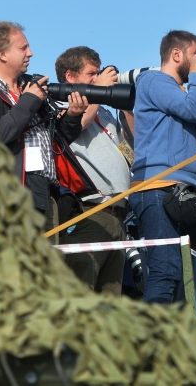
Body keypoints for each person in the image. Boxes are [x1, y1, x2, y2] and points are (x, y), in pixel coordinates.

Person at [0, 21, 87, 227]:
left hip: (45, 191)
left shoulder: (33, 89)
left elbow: (56, 143)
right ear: (2, 54)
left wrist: (73, 116)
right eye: (23, 47)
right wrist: (28, 101)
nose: (31, 53)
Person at [128, 30, 196, 303]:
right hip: (158, 187)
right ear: (177, 54)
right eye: (194, 54)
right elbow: (193, 111)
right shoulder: (154, 81)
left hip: (183, 188)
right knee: (165, 269)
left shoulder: (183, 92)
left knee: (185, 278)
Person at [53, 46, 132, 295]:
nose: (97, 78)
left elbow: (130, 149)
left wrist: (127, 103)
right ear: (70, 76)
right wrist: (97, 92)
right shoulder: (57, 101)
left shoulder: (103, 109)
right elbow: (70, 130)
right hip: (89, 211)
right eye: (91, 74)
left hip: (118, 215)